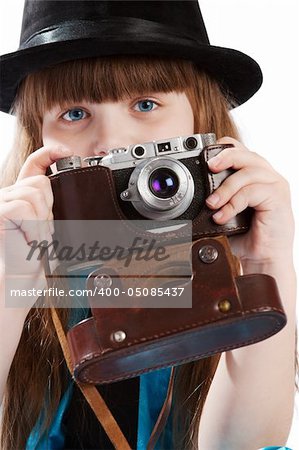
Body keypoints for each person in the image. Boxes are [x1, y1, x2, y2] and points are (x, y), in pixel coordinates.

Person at [0, 1, 297, 449]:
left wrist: (267, 263)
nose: (112, 141)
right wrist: (11, 285)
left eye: (145, 103)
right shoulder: (17, 254)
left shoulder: (229, 255)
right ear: (37, 138)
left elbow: (246, 445)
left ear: (199, 118)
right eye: (74, 113)